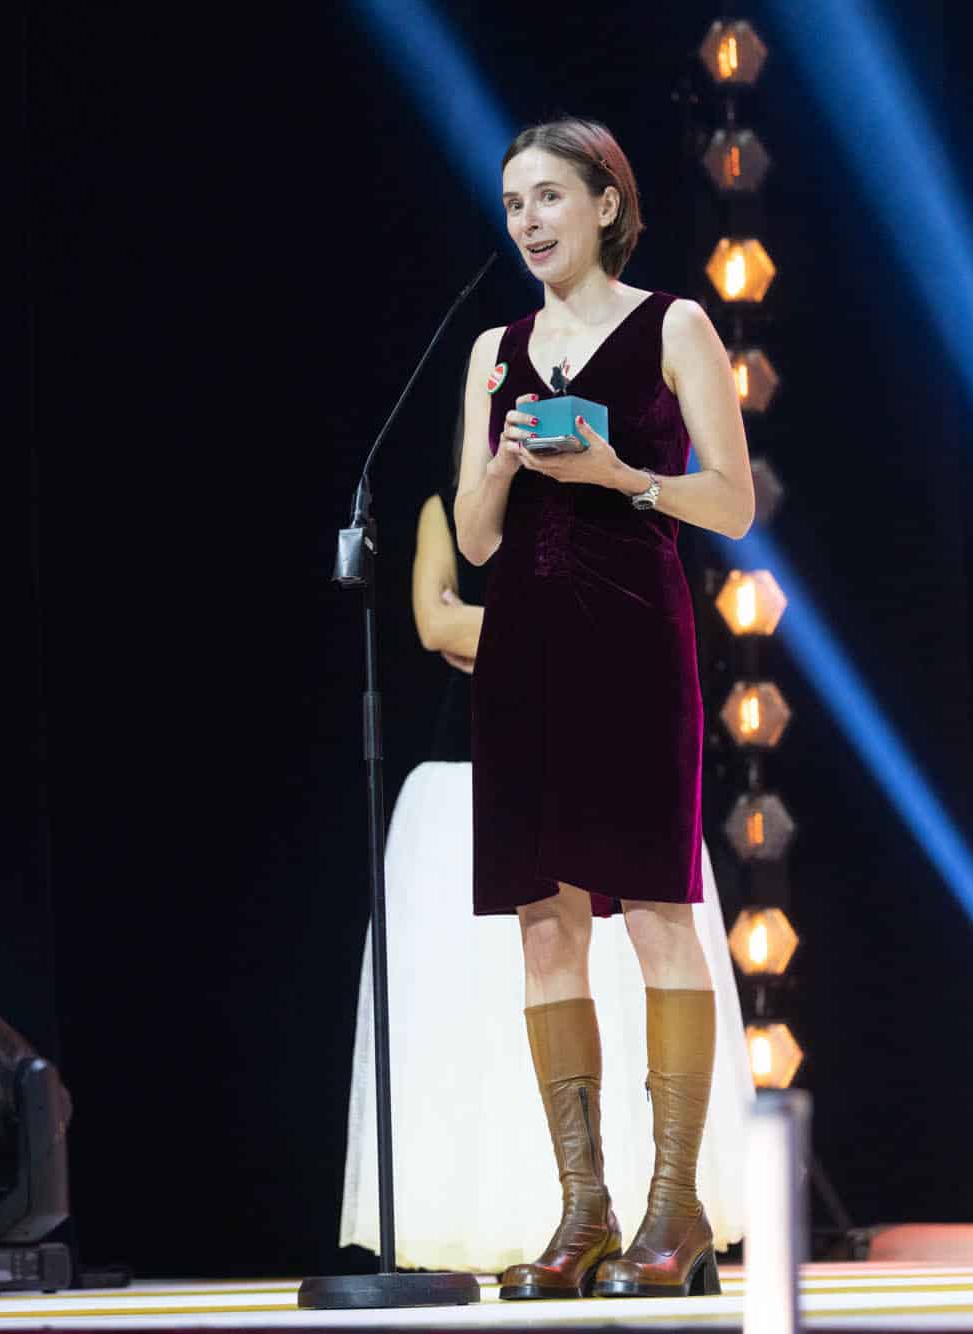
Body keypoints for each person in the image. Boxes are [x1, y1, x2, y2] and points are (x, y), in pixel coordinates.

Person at [456, 117, 755, 1300]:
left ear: (605, 204)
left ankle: (674, 1211)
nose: (526, 221)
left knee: (656, 915)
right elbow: (474, 538)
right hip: (523, 649)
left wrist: (619, 475)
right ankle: (582, 1209)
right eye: (512, 203)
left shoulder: (672, 324)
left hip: (633, 640)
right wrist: (502, 455)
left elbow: (731, 502)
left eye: (546, 197)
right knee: (544, 924)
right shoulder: (494, 348)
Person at [337, 436, 754, 1276]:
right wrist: (553, 626)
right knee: (497, 986)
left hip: (606, 727)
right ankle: (565, 1212)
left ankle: (668, 1209)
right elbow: (433, 619)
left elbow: (644, 585)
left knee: (633, 952)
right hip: (484, 754)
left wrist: (518, 630)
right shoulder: (452, 505)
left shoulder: (607, 490)